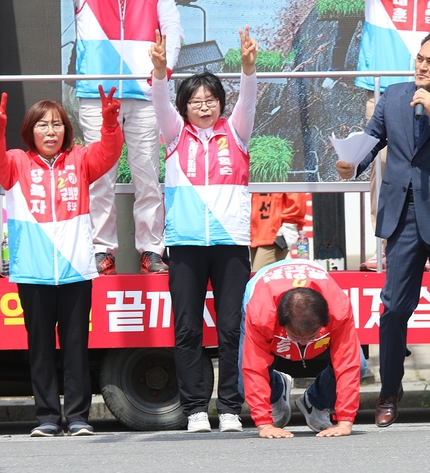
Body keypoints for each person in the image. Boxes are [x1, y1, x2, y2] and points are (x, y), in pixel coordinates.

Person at [337, 32, 430, 427]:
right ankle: (389, 392)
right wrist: (353, 162)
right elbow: (372, 142)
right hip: (401, 218)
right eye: (419, 58)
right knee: (394, 308)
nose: (420, 66)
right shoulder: (393, 97)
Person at [0, 87, 123, 437]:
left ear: (66, 130)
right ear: (30, 130)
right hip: (33, 273)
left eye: (57, 124)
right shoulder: (15, 161)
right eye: (42, 125)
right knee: (40, 347)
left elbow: (108, 153)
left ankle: (77, 418)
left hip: (76, 271)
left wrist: (109, 124)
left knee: (76, 347)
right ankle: (46, 417)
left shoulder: (80, 160)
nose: (50, 131)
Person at [149, 26, 258, 433]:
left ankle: (230, 407)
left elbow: (249, 99)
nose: (204, 107)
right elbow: (159, 101)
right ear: (184, 107)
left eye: (210, 100)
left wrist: (248, 69)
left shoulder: (237, 132)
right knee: (188, 328)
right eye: (195, 101)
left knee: (232, 328)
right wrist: (159, 72)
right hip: (185, 245)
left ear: (220, 103)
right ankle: (196, 408)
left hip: (230, 245)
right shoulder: (175, 136)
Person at [356, 0, 430, 271]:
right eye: (420, 58)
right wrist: (349, 162)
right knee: (385, 167)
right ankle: (388, 244)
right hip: (386, 84)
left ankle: (427, 243)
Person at [74, 0, 184, 275]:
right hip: (96, 93)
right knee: (99, 176)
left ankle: (151, 249)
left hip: (145, 94)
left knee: (147, 175)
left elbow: (173, 29)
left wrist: (163, 71)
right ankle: (100, 249)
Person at [238, 259, 365, 438]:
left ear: (324, 321)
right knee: (243, 380)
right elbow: (254, 369)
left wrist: (345, 421)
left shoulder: (338, 310)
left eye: (312, 336)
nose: (304, 344)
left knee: (360, 365)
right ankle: (276, 390)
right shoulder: (261, 313)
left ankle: (316, 401)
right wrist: (264, 424)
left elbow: (348, 364)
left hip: (311, 279)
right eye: (297, 337)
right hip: (263, 287)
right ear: (281, 322)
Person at [250, 193, 307, 271]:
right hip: (256, 229)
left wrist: (291, 224)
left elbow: (295, 189)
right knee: (255, 277)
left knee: (259, 277)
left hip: (275, 233)